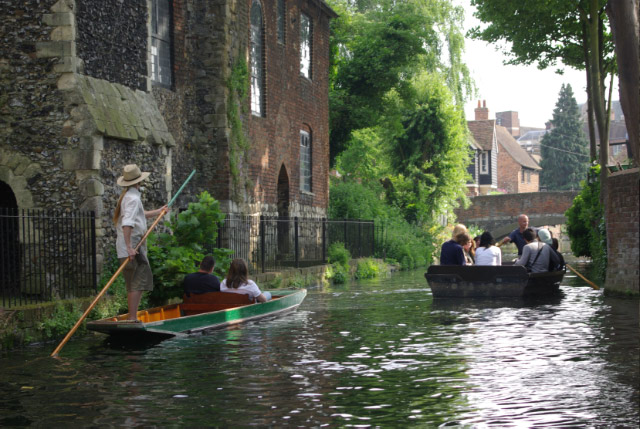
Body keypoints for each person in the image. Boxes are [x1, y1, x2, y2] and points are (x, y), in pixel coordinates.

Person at [114, 164, 168, 321]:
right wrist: (130, 248)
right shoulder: (133, 198)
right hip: (133, 249)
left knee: (133, 282)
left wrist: (158, 212)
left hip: (127, 248)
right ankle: (132, 318)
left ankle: (132, 317)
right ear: (139, 182)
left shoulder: (128, 197)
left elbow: (139, 215)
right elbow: (127, 224)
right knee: (138, 281)